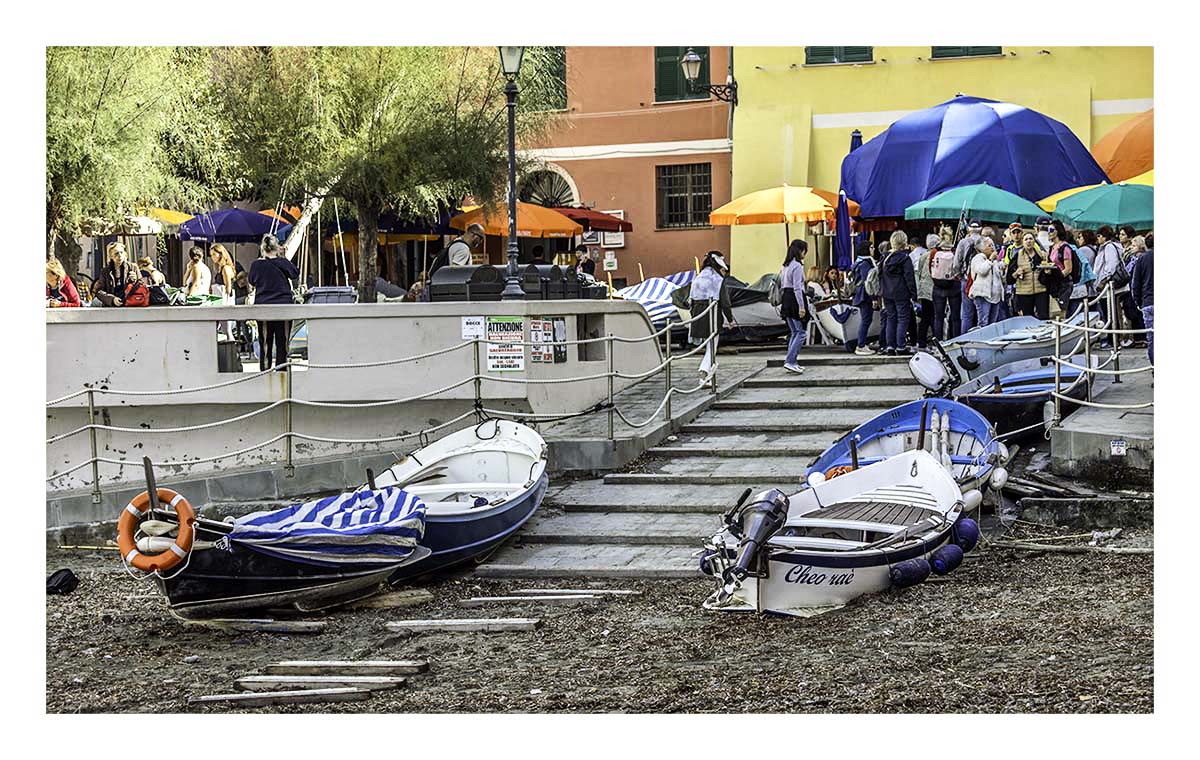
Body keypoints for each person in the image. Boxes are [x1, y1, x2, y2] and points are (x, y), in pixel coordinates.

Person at [248, 233, 300, 371]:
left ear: (262, 248)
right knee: (282, 342)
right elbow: (295, 273)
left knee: (265, 341)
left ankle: (265, 371)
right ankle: (282, 371)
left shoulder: (256, 265)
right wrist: (282, 257)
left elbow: (251, 281)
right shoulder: (282, 262)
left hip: (263, 306)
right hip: (283, 307)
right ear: (277, 247)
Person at [689, 251, 735, 383]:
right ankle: (703, 373)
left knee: (709, 346)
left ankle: (706, 375)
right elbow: (725, 303)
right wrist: (730, 320)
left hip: (697, 314)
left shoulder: (698, 277)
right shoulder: (718, 280)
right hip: (712, 314)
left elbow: (690, 300)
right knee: (712, 346)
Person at [880, 230, 917, 355]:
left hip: (887, 292)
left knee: (891, 318)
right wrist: (913, 294)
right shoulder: (905, 259)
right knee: (902, 319)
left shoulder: (884, 258)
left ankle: (890, 346)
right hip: (901, 292)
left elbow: (880, 275)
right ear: (904, 242)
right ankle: (901, 346)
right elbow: (909, 278)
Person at [780, 240, 808, 374]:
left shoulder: (785, 266)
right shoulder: (797, 266)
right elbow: (797, 287)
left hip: (786, 297)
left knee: (794, 332)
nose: (805, 254)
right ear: (800, 250)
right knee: (801, 333)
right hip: (794, 299)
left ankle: (792, 361)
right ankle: (790, 361)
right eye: (804, 251)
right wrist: (801, 307)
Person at [1007, 232, 1050, 319]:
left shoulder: (1042, 255)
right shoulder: (1017, 256)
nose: (1028, 241)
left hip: (1041, 290)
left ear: (1034, 241)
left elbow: (1050, 275)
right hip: (1024, 292)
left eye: (1031, 239)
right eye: (1026, 239)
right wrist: (1016, 273)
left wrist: (1047, 272)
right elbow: (1009, 279)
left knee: (1043, 317)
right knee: (1028, 318)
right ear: (1022, 242)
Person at [954, 219, 983, 332]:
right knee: (982, 313)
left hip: (966, 281)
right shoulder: (985, 241)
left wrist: (960, 276)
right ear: (980, 228)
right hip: (982, 281)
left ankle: (964, 339)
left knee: (967, 313)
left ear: (969, 229)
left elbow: (956, 264)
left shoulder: (962, 242)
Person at [930, 238, 961, 341]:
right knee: (955, 316)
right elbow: (957, 268)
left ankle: (938, 341)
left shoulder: (935, 252)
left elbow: (930, 267)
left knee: (938, 317)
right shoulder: (954, 253)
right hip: (953, 286)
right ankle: (955, 339)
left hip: (938, 285)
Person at [968, 237, 1004, 327]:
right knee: (983, 322)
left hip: (995, 296)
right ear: (982, 248)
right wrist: (990, 260)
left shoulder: (995, 260)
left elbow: (1000, 277)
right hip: (983, 295)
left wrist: (1002, 267)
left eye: (993, 245)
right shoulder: (977, 258)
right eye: (989, 245)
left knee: (993, 323)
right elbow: (982, 270)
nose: (992, 247)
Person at [850, 241, 877, 355]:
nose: (873, 249)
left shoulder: (858, 261)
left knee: (866, 320)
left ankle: (862, 344)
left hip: (860, 294)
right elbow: (868, 282)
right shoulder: (865, 263)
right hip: (864, 295)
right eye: (871, 247)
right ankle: (861, 345)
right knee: (866, 320)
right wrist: (874, 298)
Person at [910, 233, 936, 347]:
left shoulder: (924, 256)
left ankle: (921, 341)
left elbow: (918, 272)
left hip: (924, 289)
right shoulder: (935, 254)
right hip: (936, 289)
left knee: (925, 316)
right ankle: (937, 339)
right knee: (936, 316)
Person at [1045, 220, 1076, 316]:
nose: (1048, 232)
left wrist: (1059, 276)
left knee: (1062, 311)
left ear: (1058, 231)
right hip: (1054, 283)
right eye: (1048, 230)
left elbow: (1068, 269)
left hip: (1064, 283)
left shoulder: (1065, 247)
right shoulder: (1052, 248)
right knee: (1054, 312)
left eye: (1051, 230)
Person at [94, 242, 138, 306]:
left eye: (121, 252)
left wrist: (135, 280)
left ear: (125, 254)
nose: (119, 255)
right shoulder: (105, 271)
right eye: (116, 253)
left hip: (129, 304)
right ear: (111, 256)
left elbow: (142, 286)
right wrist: (112, 299)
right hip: (111, 307)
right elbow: (99, 291)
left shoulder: (133, 267)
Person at [1131, 238, 1153, 365]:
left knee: (1152, 339)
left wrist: (1138, 302)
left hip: (1147, 302)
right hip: (1148, 301)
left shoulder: (1142, 259)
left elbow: (1136, 284)